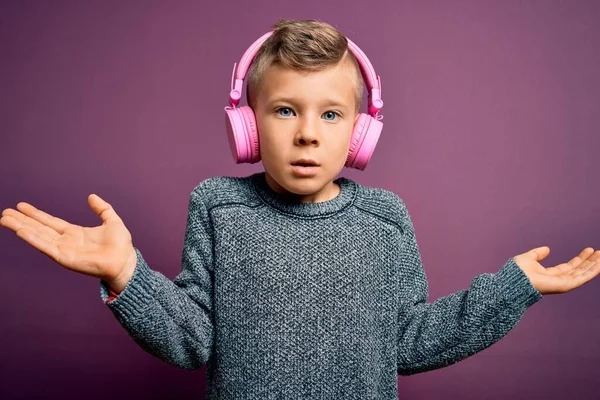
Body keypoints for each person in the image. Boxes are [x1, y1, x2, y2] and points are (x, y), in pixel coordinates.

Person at [1, 19, 598, 400]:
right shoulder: (218, 207)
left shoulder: (385, 220)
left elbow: (412, 342)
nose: (308, 134)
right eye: (286, 110)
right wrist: (125, 275)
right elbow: (190, 342)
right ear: (248, 125)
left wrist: (514, 288)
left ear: (362, 132)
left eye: (331, 114)